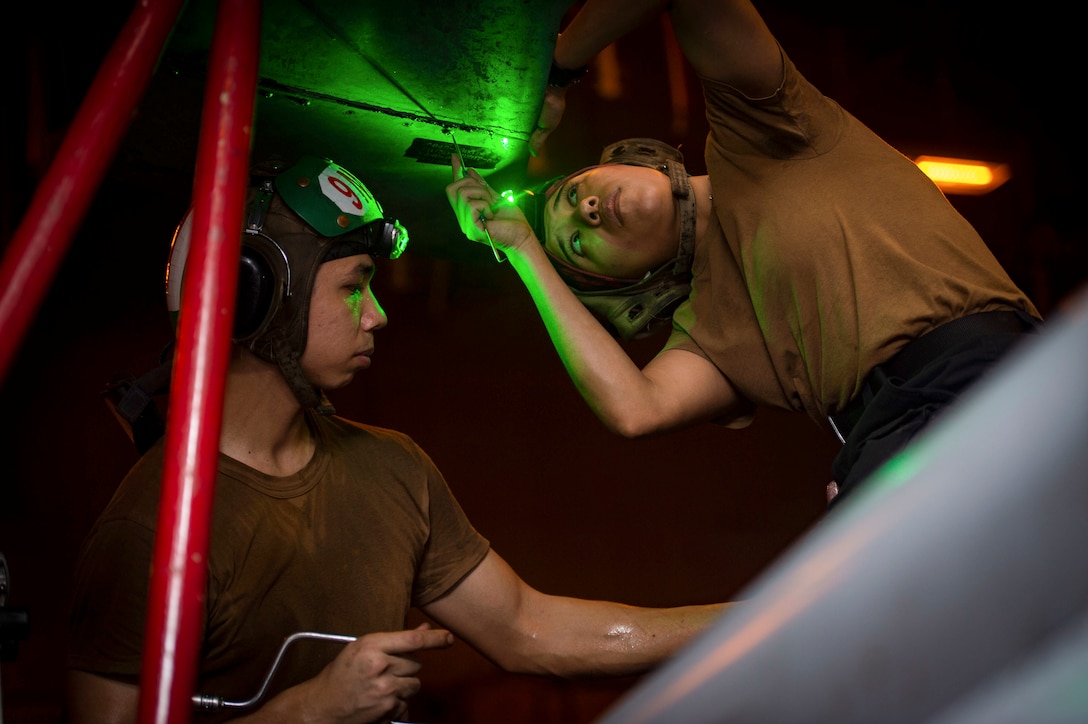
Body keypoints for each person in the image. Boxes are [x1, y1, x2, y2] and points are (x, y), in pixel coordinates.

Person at [65, 155, 727, 724]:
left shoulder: (392, 468)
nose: (378, 316)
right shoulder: (150, 529)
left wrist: (762, 617)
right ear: (251, 296)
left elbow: (530, 627)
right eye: (355, 288)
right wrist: (308, 711)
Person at [446, 0, 1042, 507]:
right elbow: (636, 410)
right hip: (885, 445)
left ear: (620, 161)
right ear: (630, 283)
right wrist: (524, 249)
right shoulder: (712, 334)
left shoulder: (765, 129)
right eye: (578, 242)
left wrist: (557, 74)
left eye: (574, 193)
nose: (588, 211)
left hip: (991, 377)